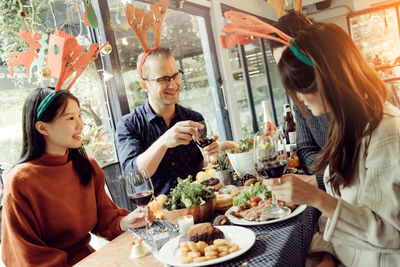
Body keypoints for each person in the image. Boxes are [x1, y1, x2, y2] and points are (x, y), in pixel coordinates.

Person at [268, 22, 400, 266]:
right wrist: (328, 253)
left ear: (326, 80)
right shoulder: (347, 126)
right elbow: (347, 211)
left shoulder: (388, 133)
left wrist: (318, 198)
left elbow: (393, 234)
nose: (297, 99)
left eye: (300, 89)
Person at [1, 87, 152, 266]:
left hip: (93, 261)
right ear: (42, 128)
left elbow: (105, 218)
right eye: (70, 118)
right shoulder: (21, 180)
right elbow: (24, 255)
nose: (80, 125)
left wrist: (126, 222)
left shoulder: (87, 166)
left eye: (80, 116)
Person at [116, 47, 219, 196]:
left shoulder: (194, 119)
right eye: (163, 79)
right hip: (157, 215)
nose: (173, 85)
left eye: (175, 75)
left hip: (197, 207)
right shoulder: (129, 125)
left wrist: (206, 159)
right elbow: (135, 178)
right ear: (144, 85)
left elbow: (200, 170)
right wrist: (164, 141)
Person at [269, 11, 328, 190]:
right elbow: (305, 149)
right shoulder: (300, 99)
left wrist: (321, 179)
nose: (290, 80)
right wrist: (329, 175)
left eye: (293, 65)